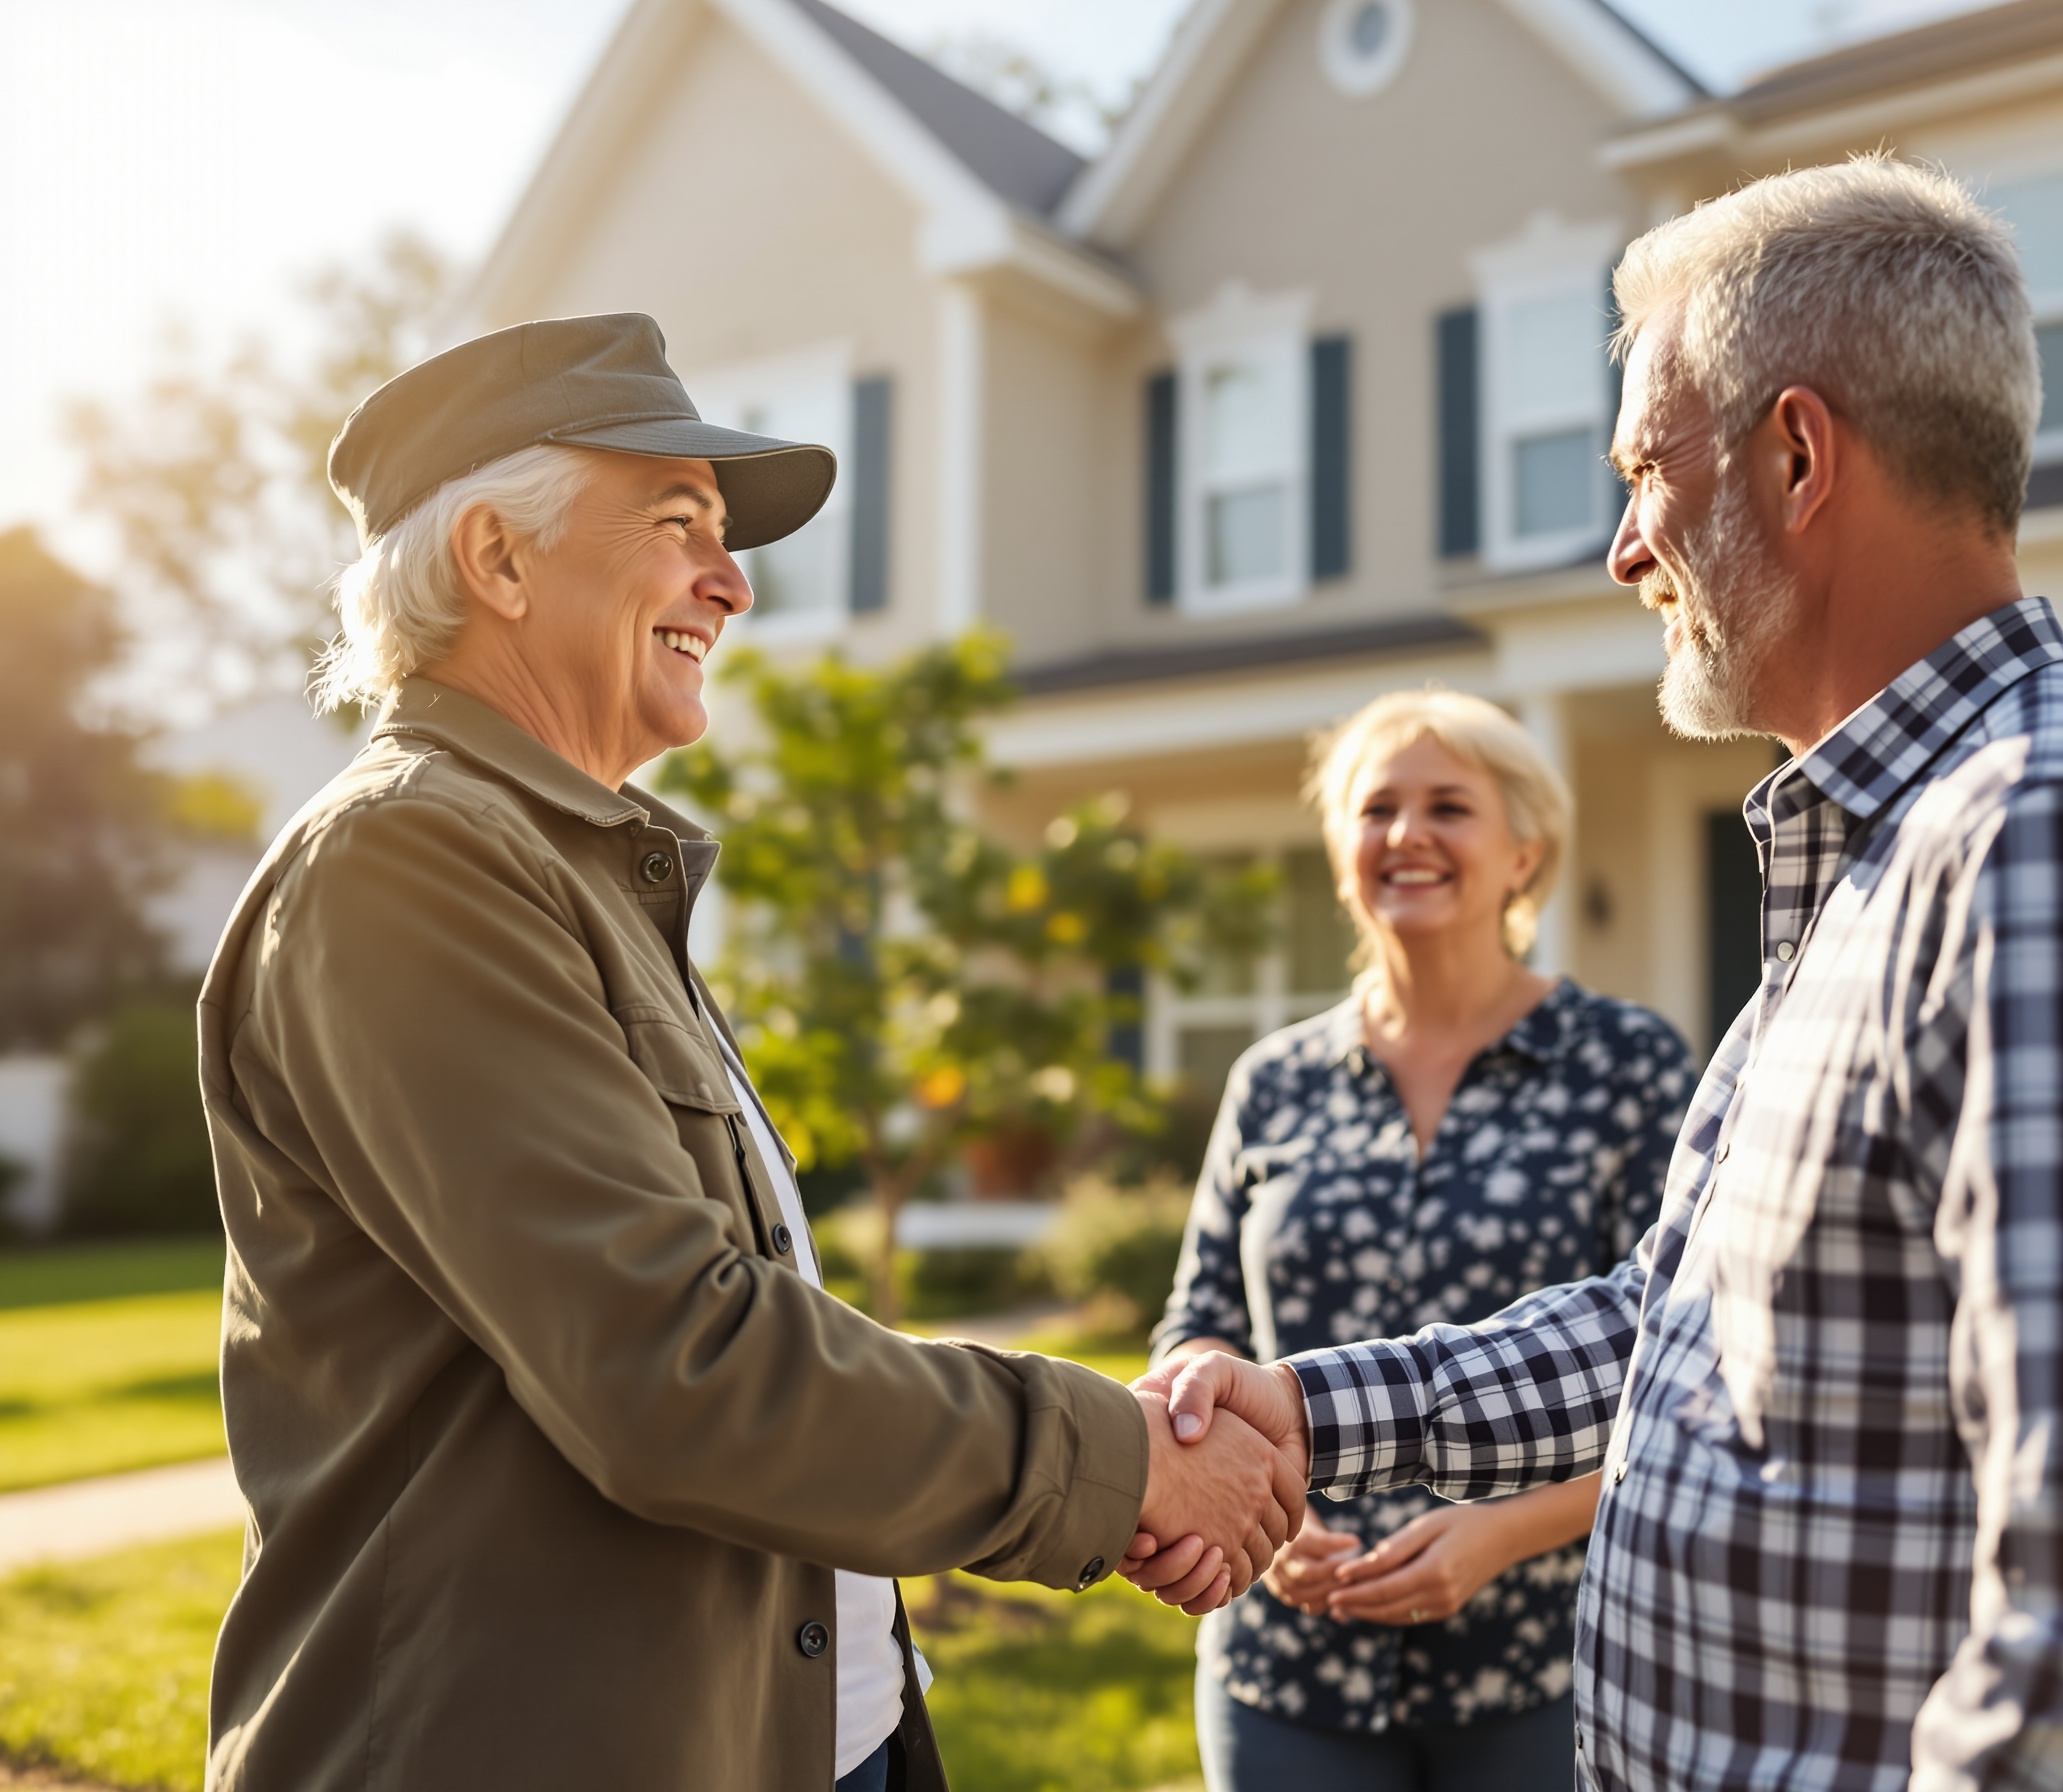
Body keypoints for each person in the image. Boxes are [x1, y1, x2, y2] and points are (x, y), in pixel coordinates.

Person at [1130, 157, 2063, 1788]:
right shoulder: (1879, 858)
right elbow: (1687, 1321)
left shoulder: (2062, 844)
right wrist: (1313, 1409)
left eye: (1646, 469)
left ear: (1796, 457)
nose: (1622, 550)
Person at [198, 313, 1300, 1792]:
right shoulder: (409, 863)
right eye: (678, 524)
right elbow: (677, 1365)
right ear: (496, 558)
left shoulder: (570, 868)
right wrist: (1120, 1461)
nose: (734, 583)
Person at [1149, 689, 1694, 1792]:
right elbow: (1197, 1319)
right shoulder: (1273, 1080)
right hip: (1285, 1664)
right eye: (1375, 809)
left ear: (1525, 852)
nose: (1406, 834)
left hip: (1541, 1659)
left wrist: (1504, 1532)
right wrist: (1245, 1492)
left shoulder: (1628, 1064)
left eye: (1449, 806)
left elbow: (1678, 1355)